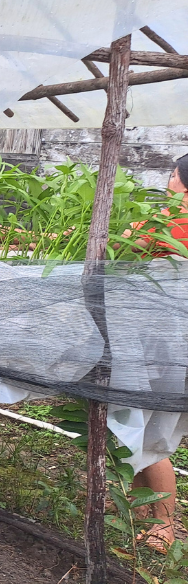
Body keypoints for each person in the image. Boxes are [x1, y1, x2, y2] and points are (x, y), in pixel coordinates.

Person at [126, 154, 188, 553]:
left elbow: (123, 246)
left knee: (149, 434)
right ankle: (138, 512)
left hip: (161, 340)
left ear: (177, 179)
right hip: (176, 342)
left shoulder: (168, 221)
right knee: (149, 428)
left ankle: (165, 525)